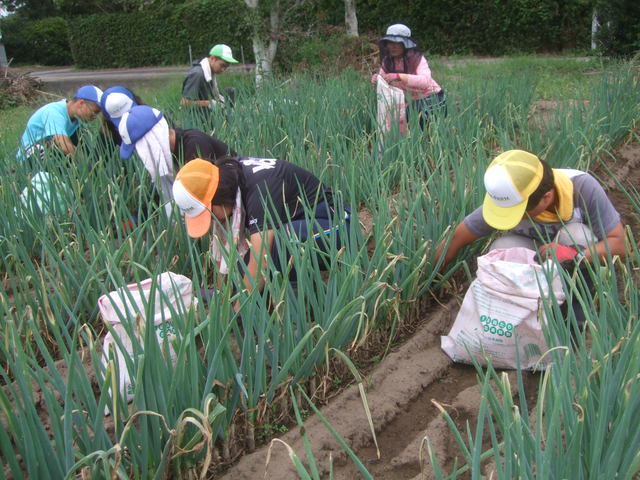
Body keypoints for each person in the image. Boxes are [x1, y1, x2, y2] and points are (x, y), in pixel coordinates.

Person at [437, 149, 626, 325]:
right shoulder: (509, 196)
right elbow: (456, 239)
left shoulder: (582, 188)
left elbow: (620, 243)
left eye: (520, 212)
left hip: (573, 259)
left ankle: (574, 318)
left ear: (546, 197)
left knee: (577, 234)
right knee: (502, 247)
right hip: (535, 260)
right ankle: (523, 318)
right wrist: (428, 275)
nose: (516, 217)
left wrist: (575, 254)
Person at [172, 157, 351, 295]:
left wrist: (234, 315)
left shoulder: (260, 191)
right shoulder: (228, 176)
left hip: (335, 224)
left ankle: (304, 300)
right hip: (298, 222)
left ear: (219, 197)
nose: (211, 220)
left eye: (209, 214)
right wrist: (221, 296)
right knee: (241, 269)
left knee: (278, 248)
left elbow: (260, 262)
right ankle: (277, 295)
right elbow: (225, 254)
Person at [117, 105, 236, 216]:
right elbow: (157, 199)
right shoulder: (169, 154)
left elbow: (200, 196)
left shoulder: (194, 146)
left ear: (151, 143)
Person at [372, 24, 446, 128]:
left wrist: (399, 76)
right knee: (395, 120)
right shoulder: (388, 61)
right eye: (390, 42)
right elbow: (384, 78)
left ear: (405, 44)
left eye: (397, 43)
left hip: (431, 98)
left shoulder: (417, 59)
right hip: (410, 101)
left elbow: (425, 82)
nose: (393, 46)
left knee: (416, 118)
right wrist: (378, 79)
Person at [17, 85, 103, 162]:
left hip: (50, 153)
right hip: (31, 157)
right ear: (81, 103)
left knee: (84, 137)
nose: (95, 116)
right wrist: (88, 164)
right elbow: (63, 144)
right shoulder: (54, 112)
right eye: (95, 112)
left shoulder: (78, 120)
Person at [181, 44, 238, 113]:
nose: (223, 69)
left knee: (230, 91)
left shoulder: (210, 72)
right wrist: (209, 103)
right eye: (222, 65)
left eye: (226, 67)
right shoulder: (198, 74)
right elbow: (184, 102)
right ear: (212, 58)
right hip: (195, 118)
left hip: (205, 114)